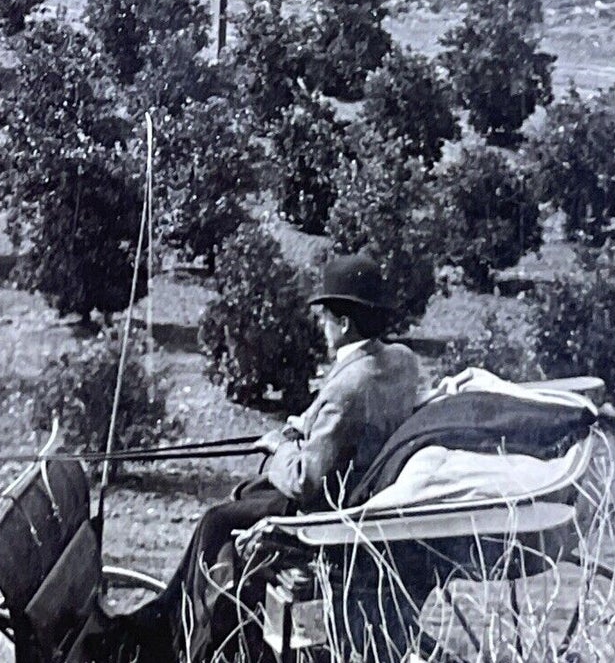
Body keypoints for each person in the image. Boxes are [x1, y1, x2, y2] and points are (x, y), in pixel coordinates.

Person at [85, 252, 422, 663]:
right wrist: (301, 426)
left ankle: (175, 635)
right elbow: (343, 417)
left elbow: (304, 479)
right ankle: (165, 618)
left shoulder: (350, 385)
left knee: (217, 520)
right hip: (357, 486)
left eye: (325, 317)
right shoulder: (402, 362)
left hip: (325, 509)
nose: (321, 325)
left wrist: (280, 447)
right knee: (238, 501)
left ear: (345, 323)